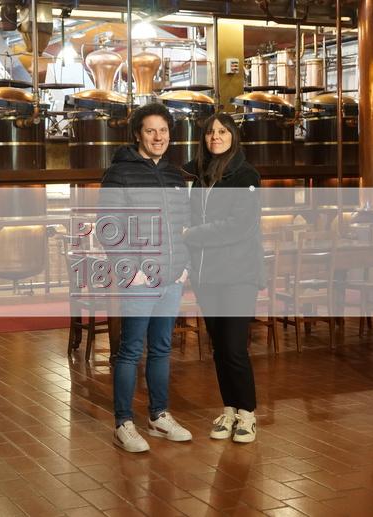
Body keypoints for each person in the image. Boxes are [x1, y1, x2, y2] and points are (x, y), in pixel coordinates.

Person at [99, 103, 192, 453]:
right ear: (138, 134)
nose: (158, 137)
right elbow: (108, 227)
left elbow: (183, 225)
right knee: (130, 351)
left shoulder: (174, 175)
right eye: (151, 130)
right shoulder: (119, 173)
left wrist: (183, 266)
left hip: (171, 277)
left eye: (163, 130)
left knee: (162, 349)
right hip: (140, 278)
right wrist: (130, 270)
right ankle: (123, 423)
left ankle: (158, 416)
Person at [182, 113, 264, 443]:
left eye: (222, 131)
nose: (215, 136)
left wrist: (191, 234)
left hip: (238, 274)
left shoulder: (246, 175)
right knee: (218, 348)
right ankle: (229, 408)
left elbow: (238, 226)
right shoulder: (201, 174)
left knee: (234, 347)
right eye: (210, 132)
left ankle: (247, 414)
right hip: (207, 275)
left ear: (233, 136)